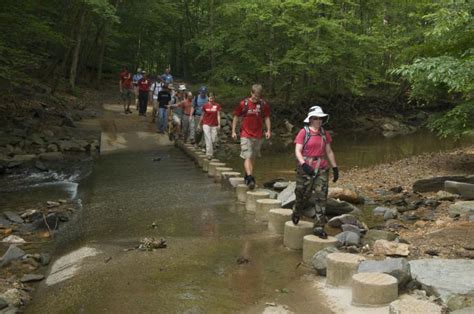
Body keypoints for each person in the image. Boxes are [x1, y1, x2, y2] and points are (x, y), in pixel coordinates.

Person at [292, 106, 339, 239]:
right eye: (316, 118)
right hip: (305, 168)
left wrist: (335, 167)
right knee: (302, 194)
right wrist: (303, 164)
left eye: (320, 118)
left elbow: (329, 151)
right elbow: (297, 151)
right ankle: (296, 211)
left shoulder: (324, 134)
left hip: (321, 168)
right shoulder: (303, 132)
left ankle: (319, 226)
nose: (318, 121)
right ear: (310, 119)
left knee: (321, 196)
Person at [231, 84, 271, 190]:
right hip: (245, 134)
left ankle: (247, 175)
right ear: (251, 93)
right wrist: (233, 131)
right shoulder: (243, 104)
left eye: (258, 96)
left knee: (252, 157)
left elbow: (266, 117)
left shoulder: (262, 104)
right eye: (255, 96)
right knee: (247, 156)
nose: (256, 98)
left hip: (257, 134)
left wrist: (268, 130)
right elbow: (236, 117)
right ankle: (250, 178)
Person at [198, 93, 221, 159]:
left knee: (213, 140)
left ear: (214, 98)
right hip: (206, 124)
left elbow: (218, 115)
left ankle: (208, 150)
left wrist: (219, 124)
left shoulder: (217, 105)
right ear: (208, 98)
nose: (211, 99)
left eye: (212, 98)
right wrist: (199, 124)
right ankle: (209, 154)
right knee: (208, 139)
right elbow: (202, 115)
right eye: (210, 98)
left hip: (214, 125)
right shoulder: (205, 106)